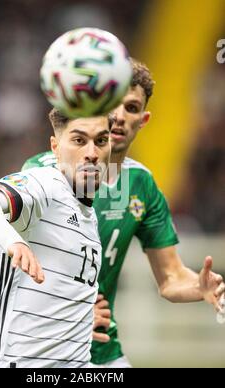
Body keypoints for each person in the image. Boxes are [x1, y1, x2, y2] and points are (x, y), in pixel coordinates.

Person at [22, 59, 225, 368]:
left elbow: (170, 278)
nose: (118, 116)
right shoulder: (44, 172)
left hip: (103, 351)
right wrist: (67, 313)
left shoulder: (141, 184)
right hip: (42, 348)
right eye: (111, 104)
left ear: (143, 120)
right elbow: (15, 261)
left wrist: (199, 287)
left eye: (131, 108)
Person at [0, 112, 112, 368]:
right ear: (55, 147)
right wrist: (14, 242)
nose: (91, 153)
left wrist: (80, 319)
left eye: (100, 141)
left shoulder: (88, 214)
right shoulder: (46, 184)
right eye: (78, 140)